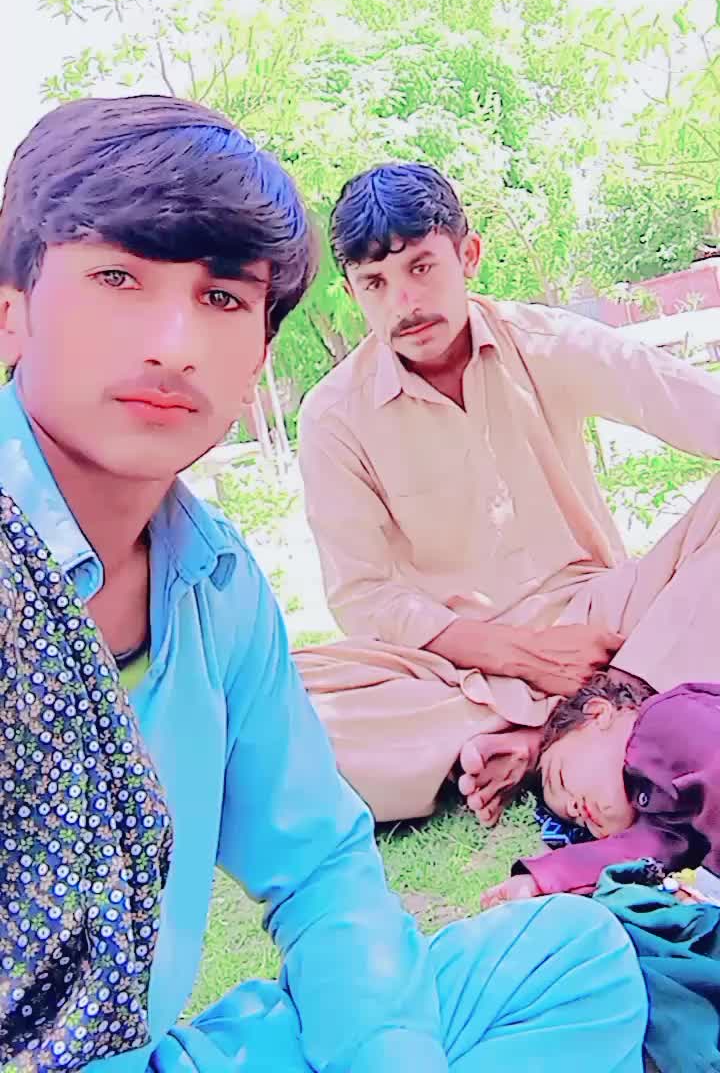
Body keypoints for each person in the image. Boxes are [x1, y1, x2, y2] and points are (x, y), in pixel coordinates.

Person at [0, 95, 648, 1072]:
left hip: (585, 643)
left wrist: (389, 1055)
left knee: (572, 956)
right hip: (437, 678)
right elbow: (371, 604)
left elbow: (321, 865)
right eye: (118, 277)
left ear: (261, 352)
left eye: (223, 298)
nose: (174, 342)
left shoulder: (213, 577)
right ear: (12, 306)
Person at [294, 162, 720, 825]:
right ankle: (598, 715)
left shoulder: (545, 343)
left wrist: (566, 654)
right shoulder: (332, 416)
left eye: (421, 268)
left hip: (601, 626)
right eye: (375, 283)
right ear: (353, 293)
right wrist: (524, 659)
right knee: (283, 702)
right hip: (455, 667)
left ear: (468, 255)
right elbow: (364, 596)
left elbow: (694, 406)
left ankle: (555, 725)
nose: (403, 302)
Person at [480, 674, 720, 907]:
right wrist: (536, 881)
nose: (574, 807)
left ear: (598, 714)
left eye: (561, 778)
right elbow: (624, 853)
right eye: (577, 822)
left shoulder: (666, 717)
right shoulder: (664, 820)